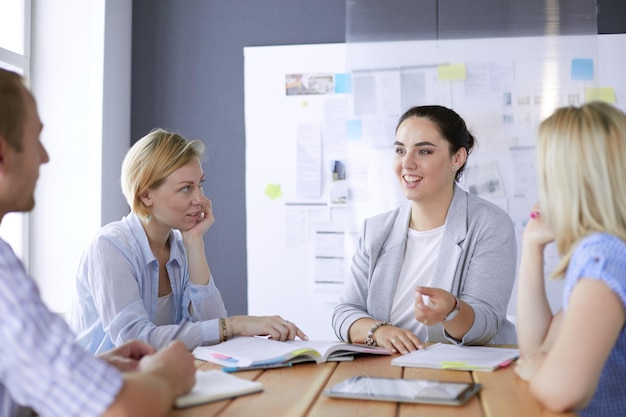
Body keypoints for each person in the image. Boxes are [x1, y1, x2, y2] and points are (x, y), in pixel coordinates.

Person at [0, 68, 196, 416]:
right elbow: (119, 410)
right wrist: (166, 376)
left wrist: (97, 369)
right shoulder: (5, 273)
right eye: (36, 141)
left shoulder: (178, 246)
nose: (45, 157)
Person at [66, 128, 307, 354]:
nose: (201, 199)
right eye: (185, 189)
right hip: (100, 390)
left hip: (153, 382)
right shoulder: (109, 247)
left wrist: (194, 243)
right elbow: (135, 341)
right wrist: (235, 324)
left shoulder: (178, 247)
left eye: (200, 185)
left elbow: (211, 328)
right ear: (146, 195)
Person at [332, 105, 517, 355]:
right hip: (387, 369)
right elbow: (344, 312)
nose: (407, 163)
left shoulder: (489, 224)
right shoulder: (376, 230)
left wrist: (452, 311)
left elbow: (486, 325)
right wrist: (380, 331)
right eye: (400, 150)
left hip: (464, 372)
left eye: (424, 151)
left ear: (457, 158)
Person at [514, 101, 626, 416]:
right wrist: (532, 246)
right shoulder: (604, 251)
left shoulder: (602, 258)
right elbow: (536, 348)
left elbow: (561, 389)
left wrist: (542, 373)